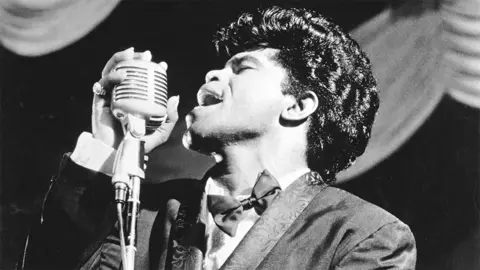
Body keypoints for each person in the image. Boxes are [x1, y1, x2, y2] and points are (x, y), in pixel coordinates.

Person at [19, 5, 416, 270]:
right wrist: (107, 145)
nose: (212, 76)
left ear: (298, 106)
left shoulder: (364, 235)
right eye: (219, 67)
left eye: (242, 68)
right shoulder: (146, 213)